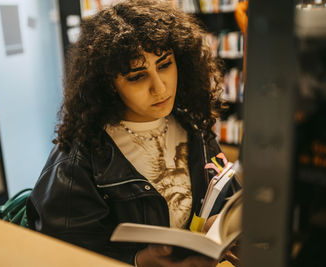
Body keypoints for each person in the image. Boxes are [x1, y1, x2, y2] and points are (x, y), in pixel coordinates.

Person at [26, 0, 230, 266]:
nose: (159, 87)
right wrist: (138, 259)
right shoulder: (80, 155)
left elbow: (224, 190)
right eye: (136, 77)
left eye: (165, 64)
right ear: (109, 85)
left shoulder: (193, 125)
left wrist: (219, 225)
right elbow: (60, 250)